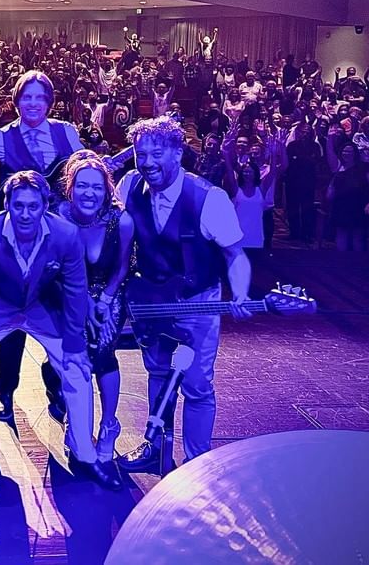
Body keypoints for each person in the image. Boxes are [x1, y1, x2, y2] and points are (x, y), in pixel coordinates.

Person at [0, 170, 105, 491]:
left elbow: (75, 291)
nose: (25, 214)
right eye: (18, 206)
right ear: (7, 205)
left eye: (33, 206)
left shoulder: (66, 235)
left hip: (39, 307)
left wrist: (74, 344)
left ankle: (84, 451)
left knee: (78, 370)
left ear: (45, 207)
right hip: (0, 306)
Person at [115, 116, 251, 474]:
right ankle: (155, 451)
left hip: (197, 302)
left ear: (178, 153)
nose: (147, 162)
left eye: (157, 153)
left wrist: (240, 292)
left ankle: (196, 464)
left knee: (195, 384)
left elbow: (235, 255)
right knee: (158, 373)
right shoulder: (129, 186)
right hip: (151, 300)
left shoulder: (210, 199)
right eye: (140, 154)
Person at [0, 70, 83, 422]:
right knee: (13, 315)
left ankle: (55, 384)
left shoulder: (66, 132)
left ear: (50, 102)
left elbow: (82, 177)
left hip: (58, 242)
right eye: (27, 97)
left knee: (59, 313)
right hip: (18, 242)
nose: (34, 103)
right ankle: (5, 389)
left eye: (41, 97)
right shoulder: (0, 138)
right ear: (16, 101)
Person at [39, 151, 134, 490]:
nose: (89, 193)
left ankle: (108, 426)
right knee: (67, 362)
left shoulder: (121, 220)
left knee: (103, 355)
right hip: (66, 295)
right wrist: (80, 303)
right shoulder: (58, 217)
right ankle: (76, 423)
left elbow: (122, 267)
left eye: (96, 186)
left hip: (108, 293)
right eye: (82, 186)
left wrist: (104, 301)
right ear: (71, 188)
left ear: (106, 189)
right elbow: (53, 268)